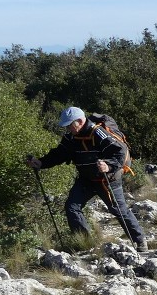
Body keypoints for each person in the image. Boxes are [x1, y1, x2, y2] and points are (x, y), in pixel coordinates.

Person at [26, 106, 148, 252]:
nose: (68, 129)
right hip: (86, 179)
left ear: (79, 121)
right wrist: (41, 163)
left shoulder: (98, 133)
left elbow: (120, 152)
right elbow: (59, 154)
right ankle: (86, 244)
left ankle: (140, 241)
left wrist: (108, 166)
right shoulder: (71, 137)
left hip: (106, 179)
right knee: (72, 207)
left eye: (70, 125)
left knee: (118, 210)